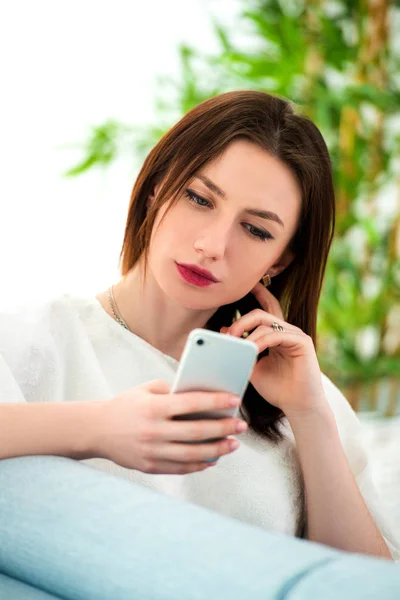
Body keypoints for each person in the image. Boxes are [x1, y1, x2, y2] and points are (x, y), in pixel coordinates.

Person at [0, 90, 399, 561]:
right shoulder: (37, 337)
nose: (212, 245)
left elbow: (363, 585)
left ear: (279, 261)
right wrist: (99, 427)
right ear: (156, 189)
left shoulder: (304, 399)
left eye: (256, 230)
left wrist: (310, 415)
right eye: (198, 197)